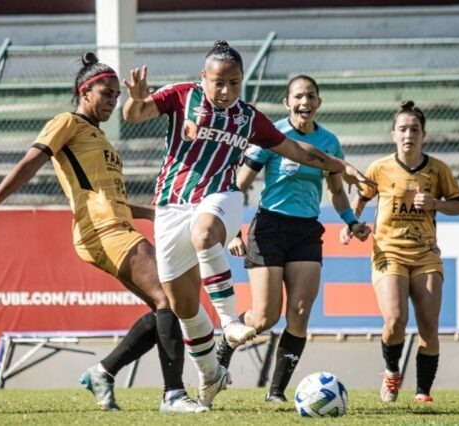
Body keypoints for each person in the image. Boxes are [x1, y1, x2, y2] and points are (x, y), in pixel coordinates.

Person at [122, 40, 375, 408]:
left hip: (220, 196)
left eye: (235, 83)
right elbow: (134, 114)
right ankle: (209, 378)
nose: (226, 92)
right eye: (219, 82)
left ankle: (229, 322)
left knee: (206, 233)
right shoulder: (181, 97)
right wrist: (135, 98)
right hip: (171, 207)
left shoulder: (248, 118)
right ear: (203, 78)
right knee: (185, 310)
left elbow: (296, 150)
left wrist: (343, 168)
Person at [0, 52, 205, 413]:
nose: (112, 101)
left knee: (165, 305)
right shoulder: (66, 123)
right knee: (169, 297)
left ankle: (104, 372)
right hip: (100, 232)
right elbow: (30, 163)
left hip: (118, 225)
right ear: (84, 91)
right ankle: (173, 395)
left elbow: (106, 196)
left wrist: (149, 213)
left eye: (116, 96)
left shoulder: (100, 139)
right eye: (106, 93)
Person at [223, 75, 372, 403]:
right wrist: (234, 231)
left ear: (318, 102)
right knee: (265, 317)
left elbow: (336, 191)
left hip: (306, 230)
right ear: (287, 103)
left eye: (310, 97)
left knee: (301, 312)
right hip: (270, 228)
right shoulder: (272, 137)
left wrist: (352, 221)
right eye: (298, 97)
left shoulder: (330, 143)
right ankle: (224, 346)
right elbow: (239, 185)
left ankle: (276, 392)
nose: (305, 103)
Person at [341, 100, 459, 403]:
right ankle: (391, 371)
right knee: (395, 319)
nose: (408, 134)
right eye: (402, 129)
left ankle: (423, 392)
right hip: (389, 252)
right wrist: (353, 224)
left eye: (414, 129)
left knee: (429, 325)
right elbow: (362, 196)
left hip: (425, 254)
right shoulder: (380, 168)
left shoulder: (438, 170)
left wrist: (436, 204)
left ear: (423, 134)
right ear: (393, 134)